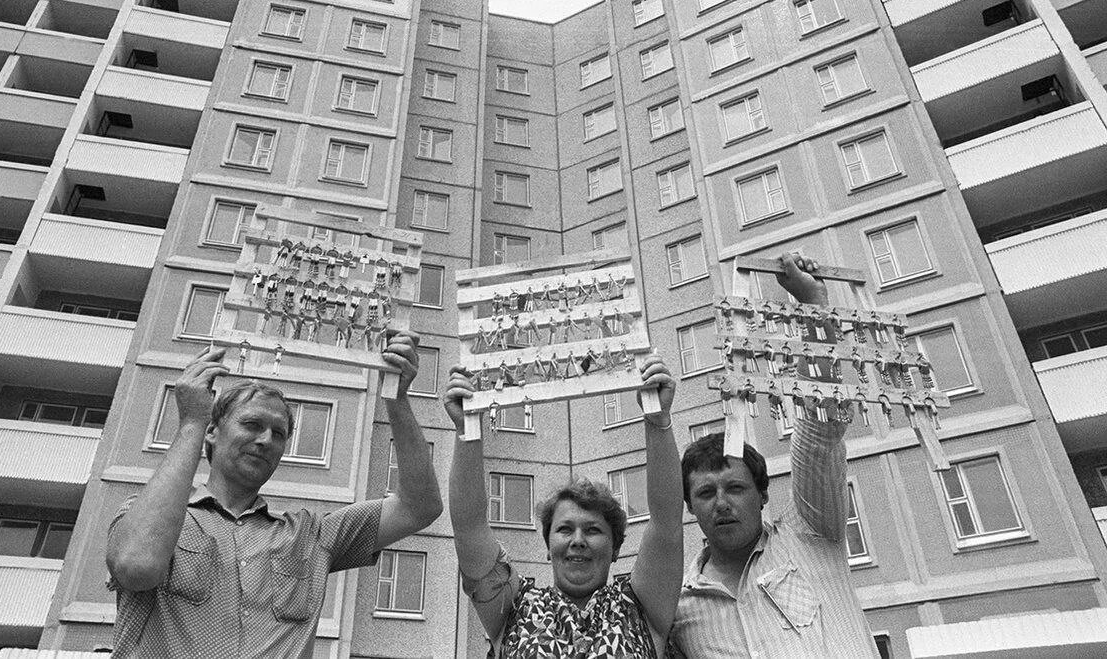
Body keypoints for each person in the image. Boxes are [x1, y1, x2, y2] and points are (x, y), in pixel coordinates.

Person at [106, 332, 442, 658]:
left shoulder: (310, 535)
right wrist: (191, 422)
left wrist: (397, 399)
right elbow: (136, 565)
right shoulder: (148, 515)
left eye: (278, 433)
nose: (266, 439)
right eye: (252, 424)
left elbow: (419, 507)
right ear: (212, 432)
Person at [668, 253, 879, 657]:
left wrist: (813, 309)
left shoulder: (811, 534)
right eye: (706, 493)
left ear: (763, 494)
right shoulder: (682, 612)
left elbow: (819, 433)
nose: (722, 503)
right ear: (690, 507)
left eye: (735, 488)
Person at [444, 356, 684, 657]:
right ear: (548, 546)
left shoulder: (642, 608)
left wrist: (658, 421)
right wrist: (466, 428)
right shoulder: (514, 607)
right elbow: (470, 528)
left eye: (593, 530)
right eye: (565, 529)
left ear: (616, 548)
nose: (578, 540)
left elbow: (666, 522)